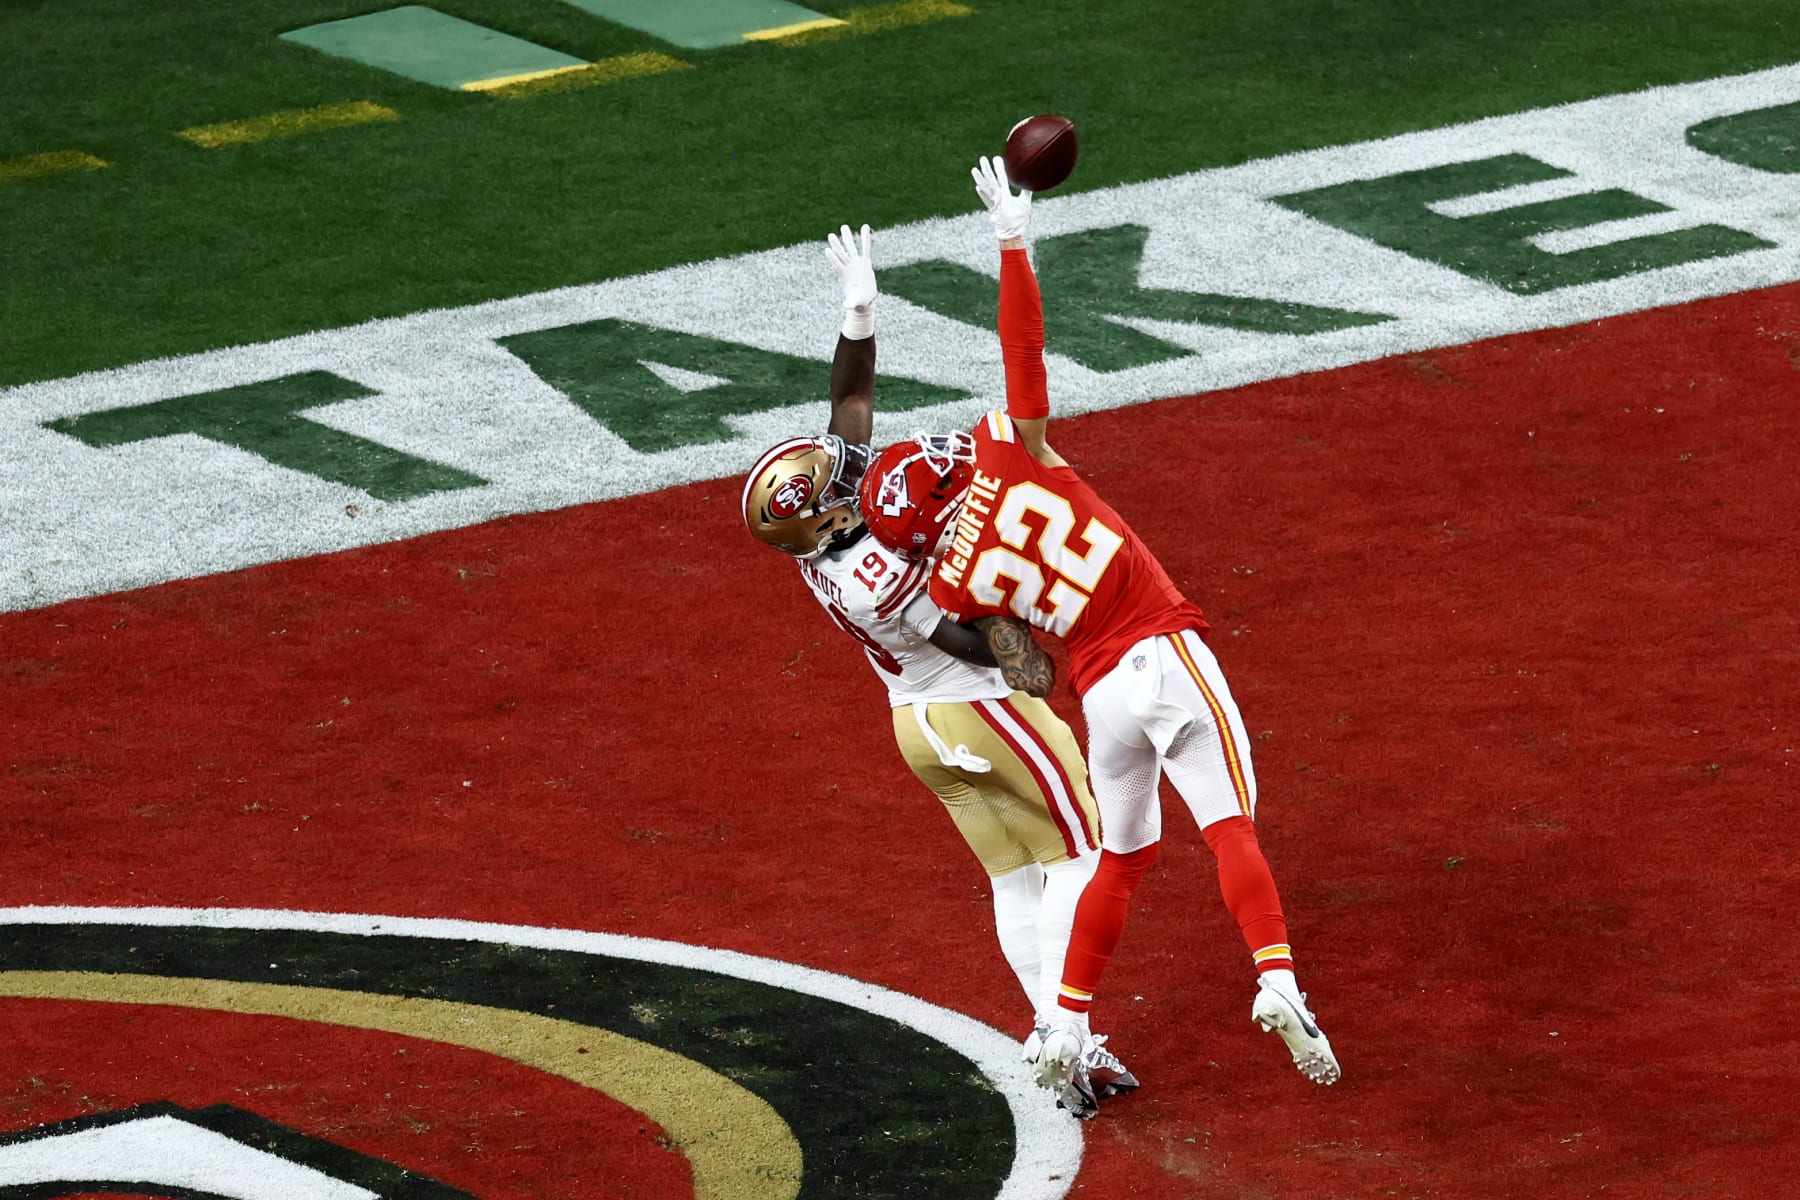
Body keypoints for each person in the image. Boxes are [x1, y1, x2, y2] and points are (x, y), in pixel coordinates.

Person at [857, 160, 1341, 1094]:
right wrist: (1010, 239)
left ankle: (1065, 1023)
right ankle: (1276, 979)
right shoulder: (1012, 453)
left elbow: (1023, 666)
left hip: (1100, 691)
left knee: (1121, 857)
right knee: (1230, 825)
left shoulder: (952, 583)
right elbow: (1023, 351)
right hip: (1162, 645)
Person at [740, 222, 1138, 1117]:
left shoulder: (825, 542)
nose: (836, 464)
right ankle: (1064, 1032)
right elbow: (957, 636)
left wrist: (859, 313)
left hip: (916, 726)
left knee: (1014, 876)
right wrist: (1024, 643)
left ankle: (1055, 1035)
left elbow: (847, 415)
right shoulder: (868, 566)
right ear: (818, 516)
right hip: (977, 706)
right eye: (821, 476)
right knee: (1080, 853)